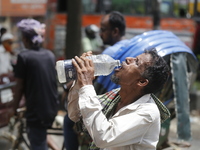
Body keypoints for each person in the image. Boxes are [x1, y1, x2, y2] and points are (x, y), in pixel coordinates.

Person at [67, 49, 170, 150]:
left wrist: (87, 84)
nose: (128, 58)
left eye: (136, 62)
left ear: (142, 82)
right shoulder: (115, 96)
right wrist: (80, 80)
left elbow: (104, 137)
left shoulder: (147, 112)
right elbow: (76, 114)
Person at [13, 18, 59, 150]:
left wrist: (14, 109)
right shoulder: (50, 55)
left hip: (36, 112)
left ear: (26, 39)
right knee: (41, 137)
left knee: (37, 144)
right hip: (51, 108)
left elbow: (19, 87)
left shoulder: (24, 57)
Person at [94, 11, 130, 94]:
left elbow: (90, 74)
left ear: (115, 32)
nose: (100, 34)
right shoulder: (131, 46)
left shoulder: (109, 53)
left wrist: (66, 88)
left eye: (103, 30)